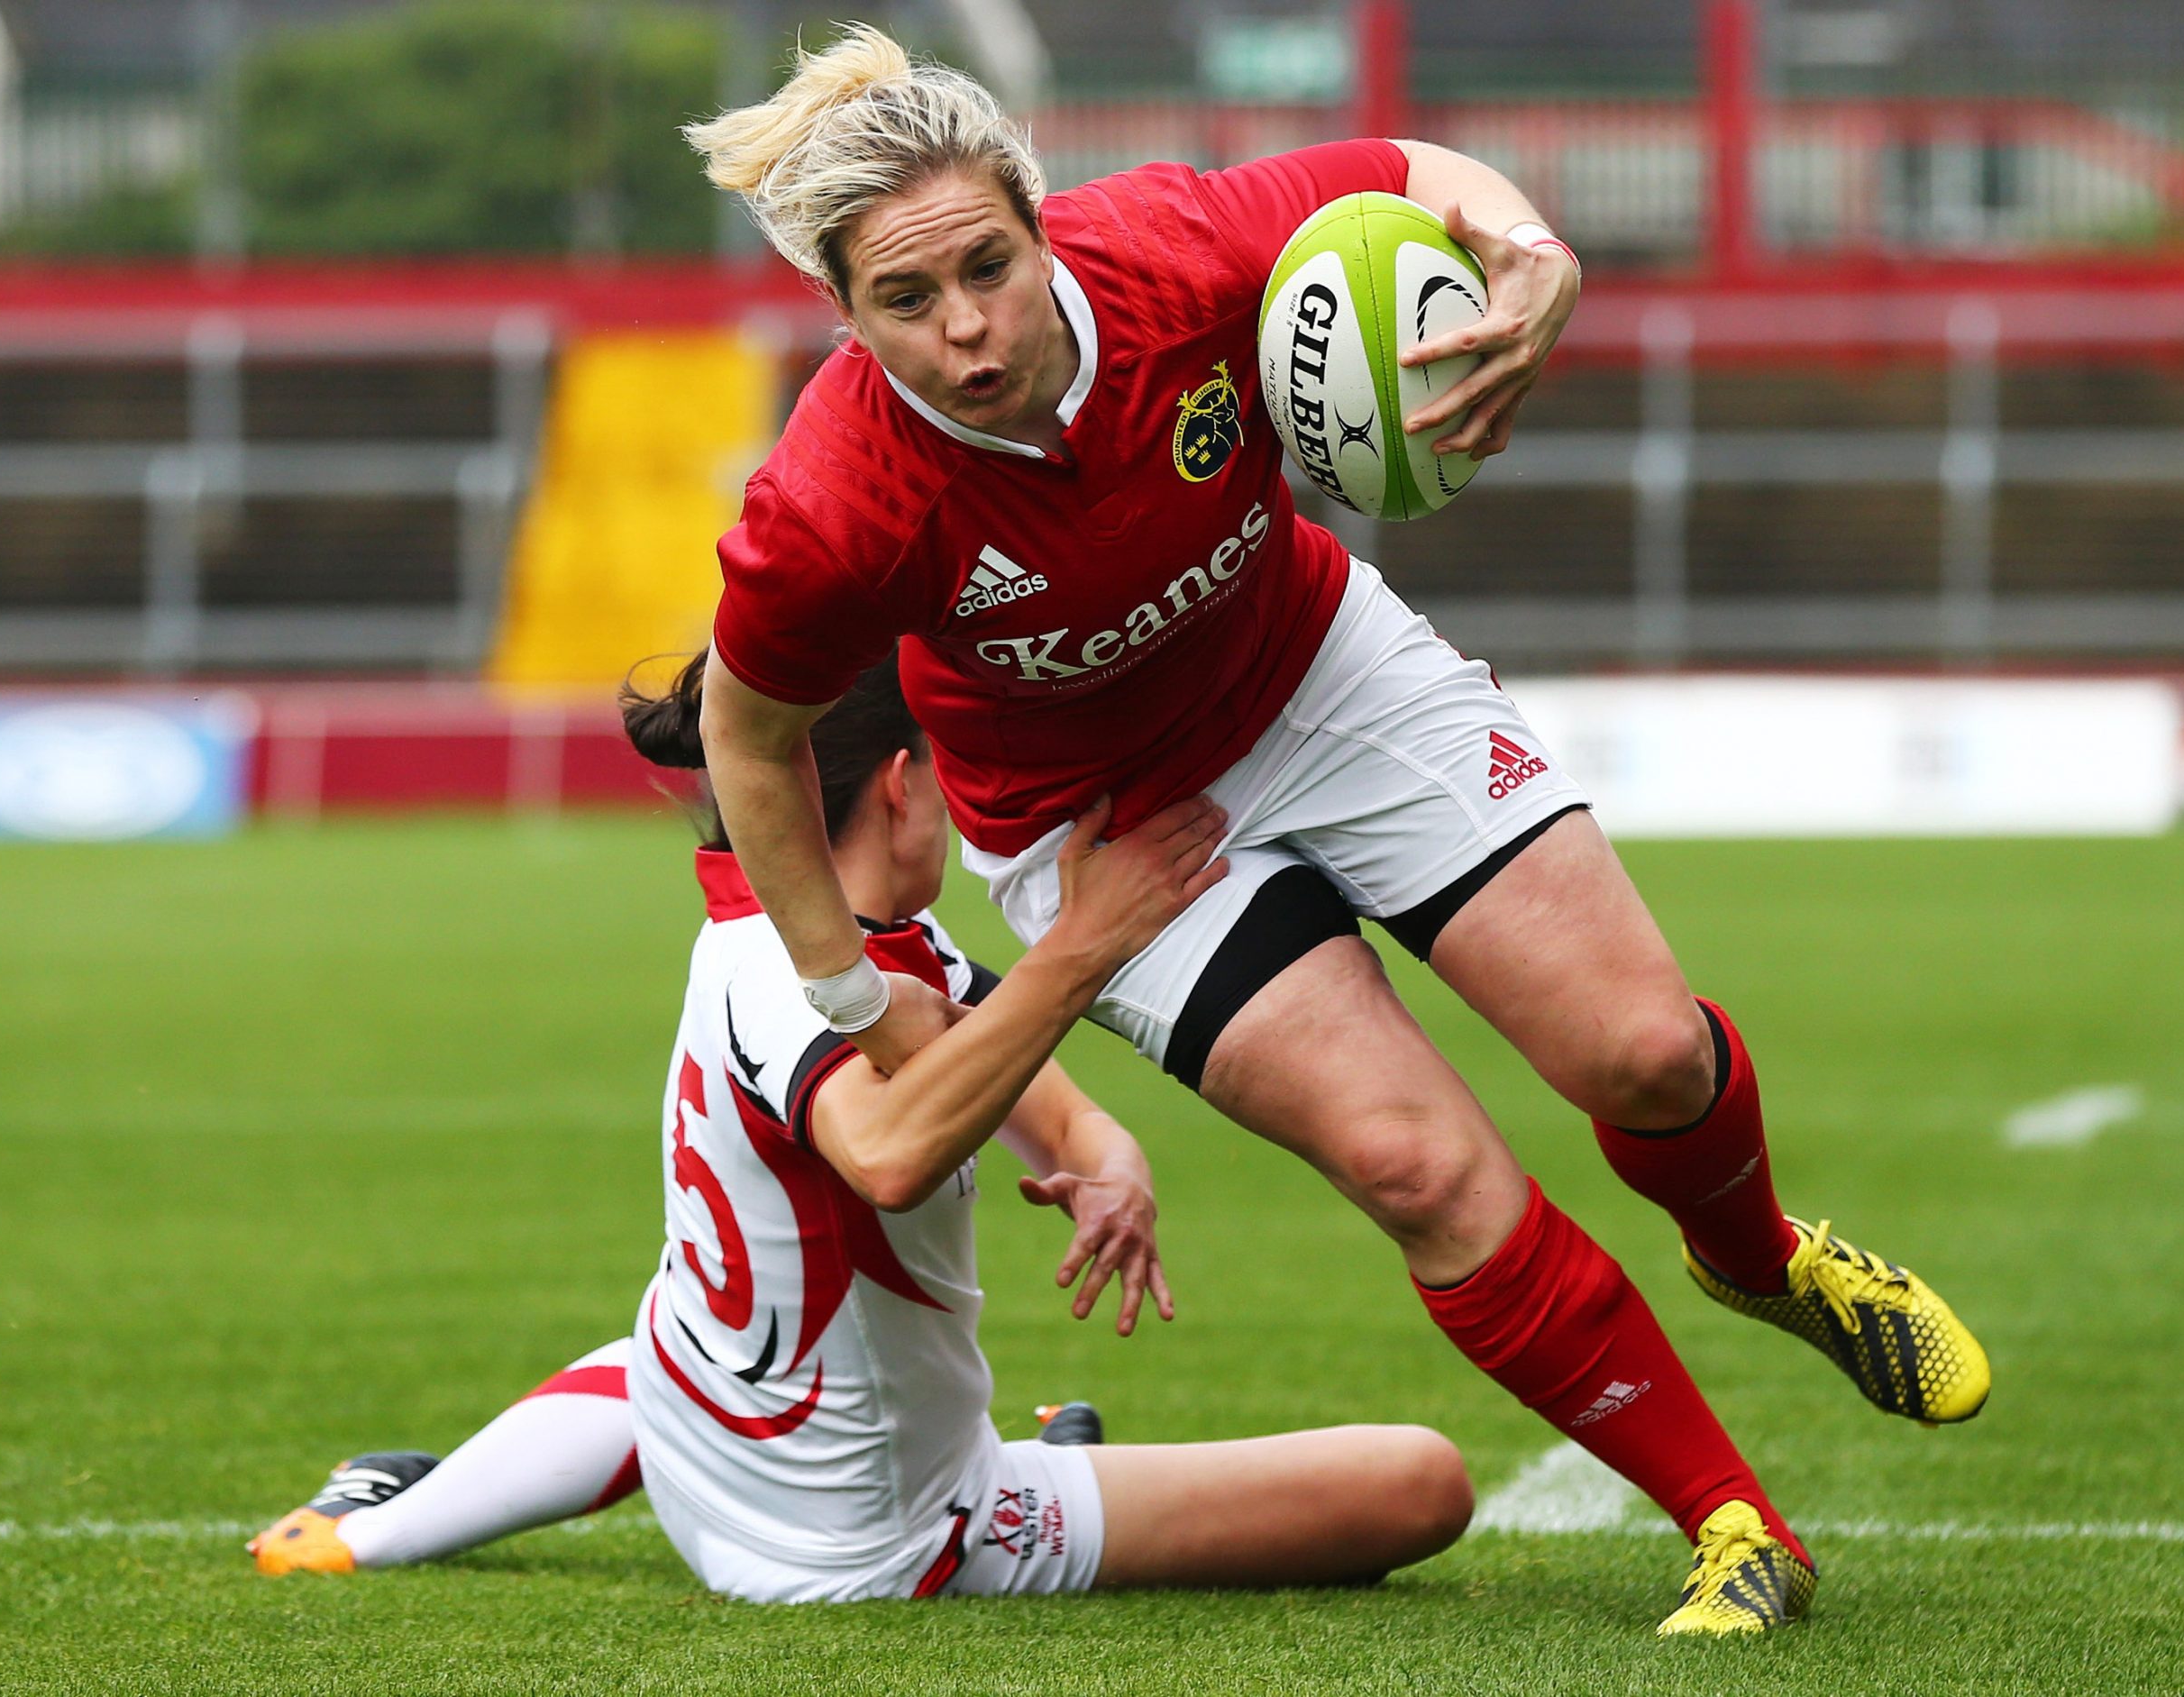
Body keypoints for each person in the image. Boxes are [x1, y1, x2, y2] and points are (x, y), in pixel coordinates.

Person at [683, 25, 1991, 1636]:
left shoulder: (1167, 246)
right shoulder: (832, 500)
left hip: (1321, 677)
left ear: (1040, 222)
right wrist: (841, 988)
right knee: (1415, 1166)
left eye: (988, 267)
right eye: (907, 301)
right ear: (842, 313)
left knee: (1647, 1056)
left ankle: (1756, 1251)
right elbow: (749, 735)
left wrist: (1533, 261)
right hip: (1102, 833)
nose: (969, 331)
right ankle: (1734, 1523)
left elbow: (1417, 178)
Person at [249, 652, 1473, 1601]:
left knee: (676, 1342)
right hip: (873, 1541)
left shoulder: (844, 943)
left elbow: (1028, 1092)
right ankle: (369, 1532)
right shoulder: (781, 967)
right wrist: (1089, 942)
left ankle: (367, 1530)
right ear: (901, 783)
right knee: (1420, 1483)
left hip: (700, 1442)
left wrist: (1109, 1162)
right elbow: (890, 1155)